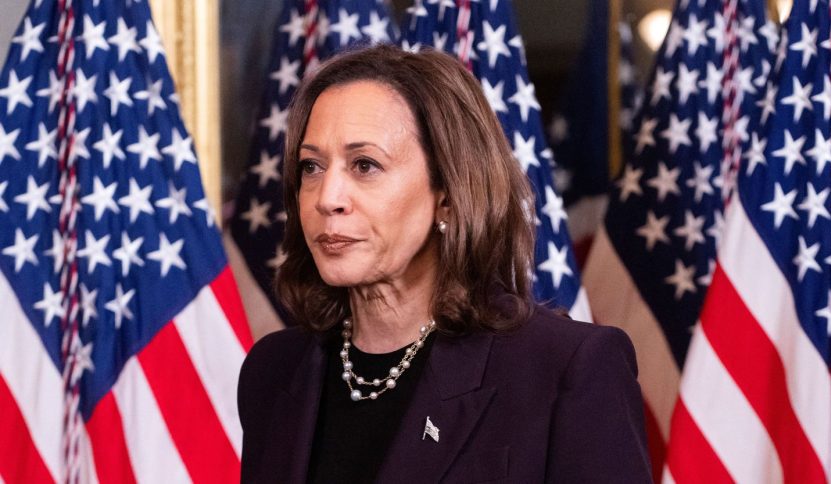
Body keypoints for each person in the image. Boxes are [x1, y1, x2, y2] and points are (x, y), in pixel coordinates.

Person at [237, 44, 652, 483]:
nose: (327, 198)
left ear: (449, 197)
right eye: (311, 166)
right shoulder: (274, 370)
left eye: (365, 165)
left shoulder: (564, 369)